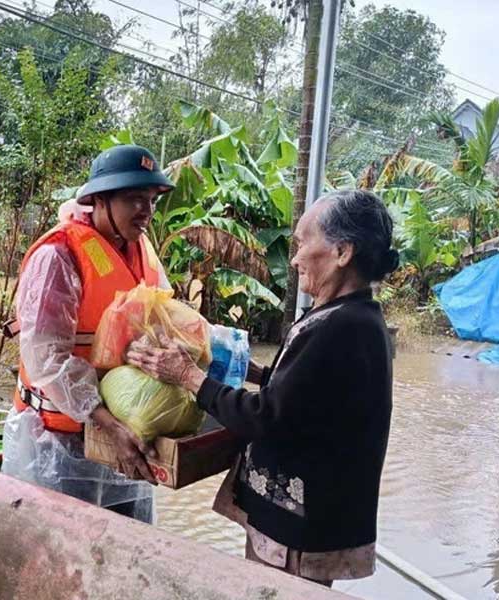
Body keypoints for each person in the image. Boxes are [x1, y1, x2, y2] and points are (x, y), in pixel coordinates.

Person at [128, 190, 398, 585]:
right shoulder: (348, 316)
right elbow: (302, 396)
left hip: (299, 536)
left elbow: (265, 417)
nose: (294, 259)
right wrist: (245, 369)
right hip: (302, 522)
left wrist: (189, 377)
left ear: (342, 252)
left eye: (304, 243)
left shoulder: (343, 327)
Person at [0, 144, 175, 524]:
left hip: (125, 429)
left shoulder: (140, 250)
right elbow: (47, 358)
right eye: (135, 199)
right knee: (62, 553)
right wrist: (107, 425)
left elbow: (166, 319)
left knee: (129, 549)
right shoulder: (58, 257)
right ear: (98, 199)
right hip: (59, 441)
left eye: (151, 200)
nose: (147, 211)